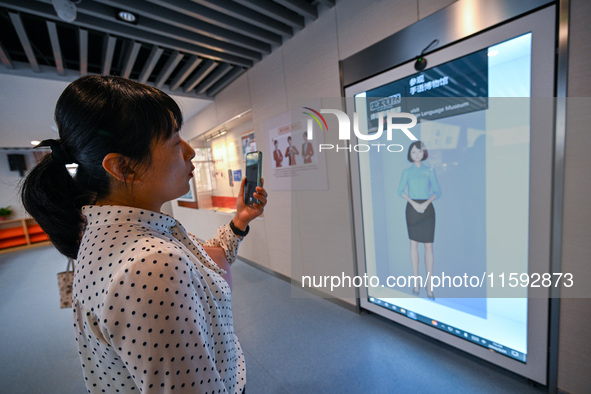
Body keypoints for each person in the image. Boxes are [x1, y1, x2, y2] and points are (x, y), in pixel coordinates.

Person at [21, 75, 267, 393]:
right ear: (124, 167)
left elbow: (206, 259)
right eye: (176, 142)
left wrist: (240, 221)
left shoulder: (123, 233)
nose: (191, 152)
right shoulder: (151, 263)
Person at [397, 141, 441, 299]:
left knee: (429, 247)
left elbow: (437, 191)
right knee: (413, 245)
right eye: (413, 152)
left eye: (419, 152)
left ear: (424, 153)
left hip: (427, 209)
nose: (416, 154)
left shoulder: (429, 171)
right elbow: (400, 191)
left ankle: (430, 286)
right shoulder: (406, 172)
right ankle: (416, 283)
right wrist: (415, 204)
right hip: (412, 209)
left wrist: (426, 203)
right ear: (410, 154)